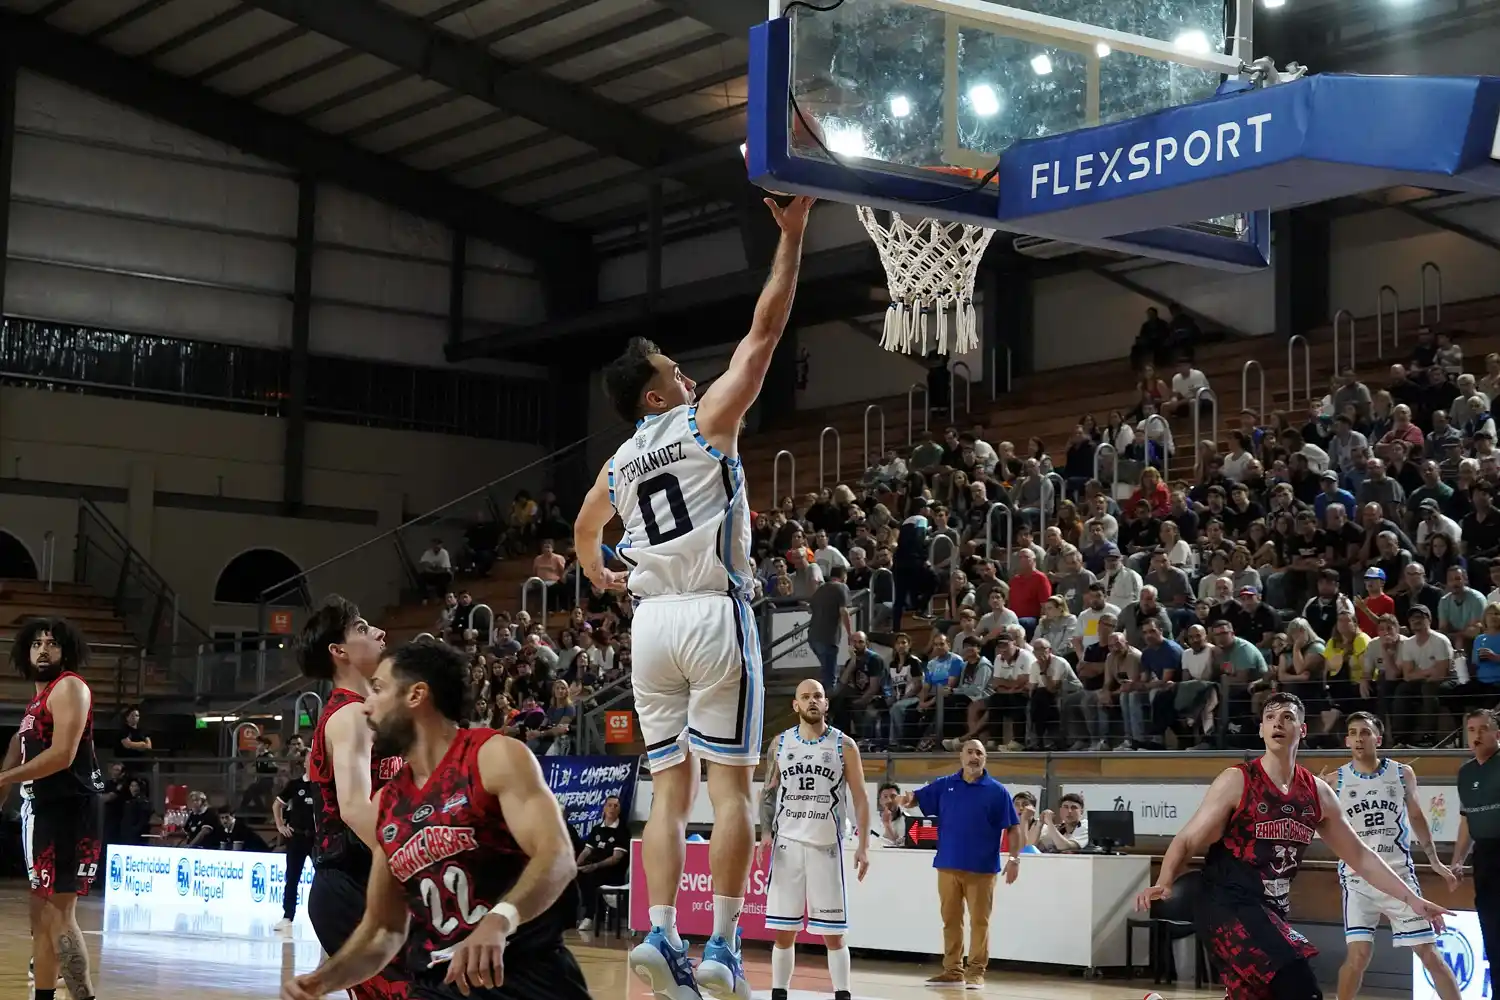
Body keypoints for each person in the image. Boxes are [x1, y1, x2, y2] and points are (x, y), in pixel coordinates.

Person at [573, 194, 814, 1000]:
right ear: (655, 397)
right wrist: (793, 235)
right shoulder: (706, 421)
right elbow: (766, 332)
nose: (689, 375)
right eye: (674, 372)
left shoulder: (619, 463)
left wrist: (601, 572)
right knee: (731, 787)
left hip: (649, 627)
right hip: (714, 612)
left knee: (665, 790)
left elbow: (582, 529)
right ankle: (721, 947)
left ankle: (661, 929)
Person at [281, 640, 588, 1000]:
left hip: (526, 975)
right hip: (441, 985)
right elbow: (383, 930)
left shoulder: (493, 757)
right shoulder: (389, 803)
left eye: (378, 689)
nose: (366, 706)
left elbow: (558, 857)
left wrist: (500, 919)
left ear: (416, 695)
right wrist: (323, 981)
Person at [1137, 692, 1450, 1000]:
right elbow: (1188, 838)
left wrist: (1412, 899)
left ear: (1302, 730)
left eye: (1287, 717)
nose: (1278, 723)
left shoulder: (1318, 793)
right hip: (1223, 902)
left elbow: (1361, 857)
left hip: (1269, 909)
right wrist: (1164, 880)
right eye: (1270, 717)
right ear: (1260, 729)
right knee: (1299, 985)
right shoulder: (1237, 780)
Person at [295, 596, 410, 1000]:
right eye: (362, 628)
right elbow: (355, 807)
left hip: (359, 881)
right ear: (338, 651)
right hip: (349, 884)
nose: (379, 632)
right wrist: (412, 864)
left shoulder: (367, 712)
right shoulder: (349, 717)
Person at [0, 618, 104, 1000]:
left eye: (52, 644)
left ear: (67, 652)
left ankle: (84, 997)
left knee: (60, 913)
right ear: (24, 652)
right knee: (40, 915)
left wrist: (5, 777)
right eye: (36, 644)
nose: (43, 650)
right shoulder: (34, 705)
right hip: (42, 810)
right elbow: (17, 752)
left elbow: (62, 756)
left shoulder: (70, 687)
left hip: (69, 810)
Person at [1325, 712, 1460, 1000]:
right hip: (1357, 879)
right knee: (1358, 955)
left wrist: (1434, 861)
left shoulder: (1401, 773)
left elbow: (1416, 816)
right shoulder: (1333, 780)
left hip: (1399, 874)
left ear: (1378, 738)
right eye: (1353, 733)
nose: (1359, 738)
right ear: (1347, 740)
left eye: (1365, 732)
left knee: (1430, 954)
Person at [756, 679, 871, 1000]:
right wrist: (765, 832)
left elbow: (861, 798)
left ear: (826, 704)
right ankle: (779, 993)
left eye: (817, 696)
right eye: (805, 697)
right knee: (783, 931)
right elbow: (768, 793)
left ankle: (842, 994)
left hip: (826, 847)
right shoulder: (779, 745)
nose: (811, 701)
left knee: (834, 934)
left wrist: (863, 846)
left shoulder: (844, 745)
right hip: (787, 846)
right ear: (795, 705)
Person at [897, 740, 1021, 990]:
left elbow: (1014, 828)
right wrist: (905, 799)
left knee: (979, 922)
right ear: (961, 756)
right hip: (948, 864)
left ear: (985, 759)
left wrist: (1015, 859)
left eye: (980, 753)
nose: (975, 757)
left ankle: (976, 971)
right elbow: (917, 798)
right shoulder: (945, 785)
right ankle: (952, 970)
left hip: (982, 868)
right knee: (951, 920)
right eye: (970, 752)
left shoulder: (997, 791)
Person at [1450, 709, 1500, 978]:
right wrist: (1458, 861)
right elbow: (1467, 821)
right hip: (1484, 858)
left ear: (1497, 734)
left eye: (1483, 729)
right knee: (1492, 933)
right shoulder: (1466, 773)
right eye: (1471, 730)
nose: (1477, 735)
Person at [274, 750, 318, 934]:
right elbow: (277, 804)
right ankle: (287, 916)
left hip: (317, 839)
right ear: (305, 763)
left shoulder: (323, 786)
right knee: (292, 877)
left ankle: (323, 917)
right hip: (297, 837)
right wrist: (280, 825)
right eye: (311, 759)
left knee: (324, 879)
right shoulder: (295, 784)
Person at [574, 796, 630, 933]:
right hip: (594, 867)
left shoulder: (622, 831)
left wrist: (595, 866)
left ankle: (589, 916)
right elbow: (587, 851)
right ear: (604, 808)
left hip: (612, 871)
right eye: (609, 805)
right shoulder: (597, 829)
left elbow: (616, 858)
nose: (612, 808)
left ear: (619, 810)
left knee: (592, 876)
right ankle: (576, 915)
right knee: (578, 875)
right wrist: (574, 865)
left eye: (616, 806)